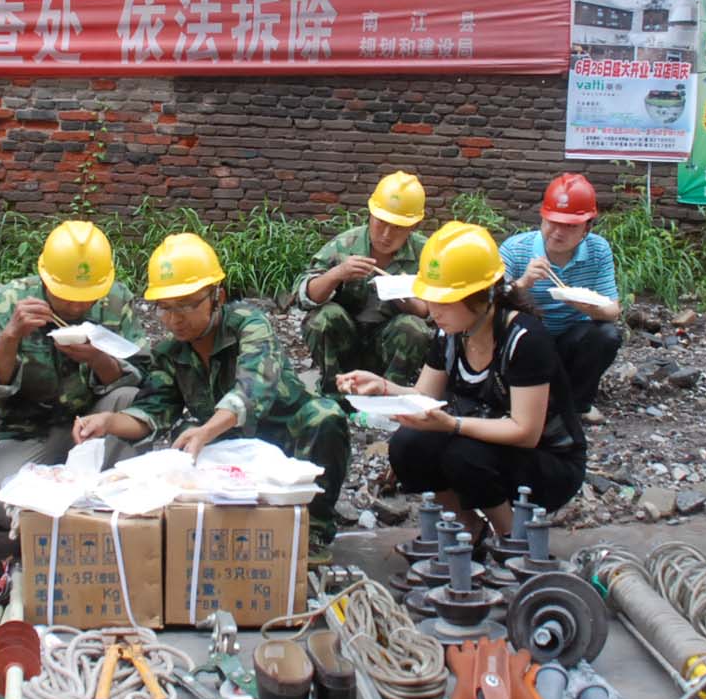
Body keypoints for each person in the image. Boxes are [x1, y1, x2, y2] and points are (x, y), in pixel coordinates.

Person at [71, 232, 352, 549]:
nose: (175, 319)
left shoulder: (249, 325)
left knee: (324, 416)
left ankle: (312, 532)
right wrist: (107, 422)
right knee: (183, 437)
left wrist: (206, 431)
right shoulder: (170, 353)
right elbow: (153, 412)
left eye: (187, 305)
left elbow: (253, 386)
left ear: (217, 296)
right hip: (230, 448)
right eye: (165, 308)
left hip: (287, 440)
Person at [345, 221, 586, 546]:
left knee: (462, 453)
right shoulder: (450, 333)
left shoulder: (525, 339)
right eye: (432, 299)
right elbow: (423, 394)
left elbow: (525, 432)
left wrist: (451, 424)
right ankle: (468, 528)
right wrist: (383, 387)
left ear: (481, 297)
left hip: (547, 463)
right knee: (407, 444)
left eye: (445, 301)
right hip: (487, 446)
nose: (434, 311)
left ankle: (512, 539)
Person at [0, 220, 149, 527]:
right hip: (25, 432)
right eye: (65, 294)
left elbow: (144, 378)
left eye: (87, 296)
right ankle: (60, 508)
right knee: (8, 508)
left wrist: (98, 359)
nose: (76, 305)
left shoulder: (115, 302)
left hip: (92, 427)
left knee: (130, 398)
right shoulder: (10, 302)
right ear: (45, 278)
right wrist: (11, 337)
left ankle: (107, 500)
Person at [498, 173, 623, 424]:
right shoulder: (515, 248)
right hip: (525, 342)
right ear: (542, 218)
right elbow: (491, 303)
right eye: (552, 222)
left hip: (569, 341)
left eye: (570, 226)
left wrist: (587, 306)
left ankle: (576, 405)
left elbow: (613, 311)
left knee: (607, 335)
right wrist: (523, 283)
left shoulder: (598, 250)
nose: (557, 232)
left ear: (587, 227)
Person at [294, 171, 432, 392]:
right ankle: (334, 391)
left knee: (414, 328)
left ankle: (390, 394)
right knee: (322, 317)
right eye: (381, 223)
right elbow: (304, 296)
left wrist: (406, 299)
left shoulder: (426, 254)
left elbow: (439, 313)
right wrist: (336, 274)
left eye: (398, 227)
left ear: (415, 225)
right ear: (370, 214)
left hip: (390, 348)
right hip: (345, 343)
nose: (386, 234)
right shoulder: (346, 244)